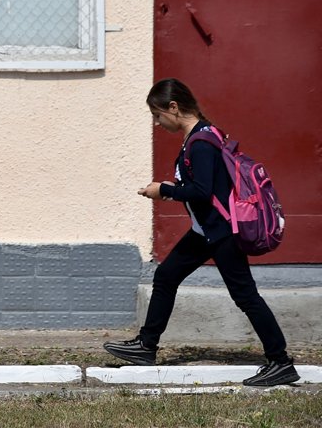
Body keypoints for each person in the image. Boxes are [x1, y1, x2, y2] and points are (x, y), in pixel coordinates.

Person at [103, 78, 299, 387]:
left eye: (157, 115)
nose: (156, 123)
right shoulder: (203, 135)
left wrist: (163, 190)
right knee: (166, 276)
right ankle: (146, 346)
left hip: (221, 233)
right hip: (205, 230)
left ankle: (280, 362)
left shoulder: (201, 142)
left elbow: (201, 191)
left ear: (174, 107)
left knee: (245, 296)